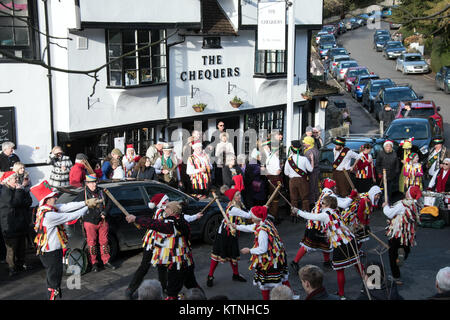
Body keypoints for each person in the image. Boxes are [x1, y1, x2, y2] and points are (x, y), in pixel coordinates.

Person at [125, 201, 204, 300]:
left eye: (167, 207)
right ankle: (203, 297)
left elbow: (154, 224)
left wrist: (136, 218)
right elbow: (155, 223)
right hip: (186, 261)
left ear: (172, 211)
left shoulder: (172, 224)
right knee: (192, 285)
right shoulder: (180, 220)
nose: (164, 208)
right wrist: (138, 221)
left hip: (177, 264)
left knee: (172, 292)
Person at [293, 195, 364, 299]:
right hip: (350, 241)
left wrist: (297, 211)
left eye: (322, 203)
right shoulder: (336, 212)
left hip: (340, 244)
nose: (320, 205)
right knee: (358, 264)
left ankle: (341, 294)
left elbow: (311, 216)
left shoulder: (326, 214)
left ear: (328, 205)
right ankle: (370, 285)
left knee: (340, 270)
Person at [31, 180, 89, 300]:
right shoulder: (48, 215)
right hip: (50, 252)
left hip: (50, 251)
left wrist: (85, 202)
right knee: (54, 281)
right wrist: (87, 207)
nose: (56, 199)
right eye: (53, 197)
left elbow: (67, 207)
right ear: (47, 200)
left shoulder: (48, 208)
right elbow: (69, 216)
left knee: (53, 279)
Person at [290, 178, 354, 273]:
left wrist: (350, 197)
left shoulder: (326, 193)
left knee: (326, 242)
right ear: (331, 187)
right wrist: (352, 196)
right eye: (334, 186)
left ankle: (327, 261)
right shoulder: (330, 194)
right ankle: (295, 261)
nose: (336, 188)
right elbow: (344, 205)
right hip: (317, 224)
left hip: (322, 223)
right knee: (309, 244)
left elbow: (341, 200)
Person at [234, 206, 290, 300]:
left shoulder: (262, 232)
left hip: (269, 262)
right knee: (280, 280)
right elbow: (251, 228)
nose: (251, 218)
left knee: (269, 284)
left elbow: (263, 249)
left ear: (257, 218)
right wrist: (236, 226)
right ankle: (289, 296)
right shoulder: (266, 222)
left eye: (252, 217)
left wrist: (249, 250)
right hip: (277, 257)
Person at [125, 193, 171, 299]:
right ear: (162, 202)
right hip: (154, 242)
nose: (169, 202)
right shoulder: (162, 212)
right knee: (149, 265)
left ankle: (132, 289)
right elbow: (156, 224)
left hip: (158, 241)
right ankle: (131, 289)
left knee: (159, 265)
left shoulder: (160, 210)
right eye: (167, 201)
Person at [207, 188, 247, 288]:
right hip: (224, 234)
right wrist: (261, 210)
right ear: (233, 197)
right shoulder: (233, 208)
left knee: (233, 254)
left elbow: (246, 214)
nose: (239, 196)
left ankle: (236, 274)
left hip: (232, 233)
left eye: (239, 194)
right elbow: (248, 215)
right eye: (237, 195)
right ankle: (210, 276)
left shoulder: (239, 205)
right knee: (217, 254)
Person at [382, 185, 422, 285]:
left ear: (409, 194)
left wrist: (385, 206)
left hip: (397, 233)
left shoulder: (402, 205)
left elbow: (389, 213)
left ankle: (396, 277)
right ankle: (403, 254)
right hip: (408, 235)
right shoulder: (416, 205)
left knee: (392, 254)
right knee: (405, 248)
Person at [0, 171, 33, 276]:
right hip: (10, 224)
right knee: (12, 248)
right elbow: (14, 203)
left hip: (20, 222)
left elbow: (28, 202)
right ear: (8, 181)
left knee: (21, 246)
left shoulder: (18, 190)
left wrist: (24, 191)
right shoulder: (5, 191)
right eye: (15, 179)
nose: (17, 180)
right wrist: (20, 192)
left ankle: (21, 264)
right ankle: (11, 267)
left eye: (17, 179)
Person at [82, 174, 115, 272]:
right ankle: (94, 263)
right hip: (90, 222)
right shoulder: (82, 194)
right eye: (91, 183)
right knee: (92, 243)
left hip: (103, 221)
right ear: (87, 183)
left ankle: (106, 261)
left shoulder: (102, 191)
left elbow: (109, 203)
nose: (94, 185)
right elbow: (80, 208)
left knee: (104, 242)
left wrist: (105, 212)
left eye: (95, 182)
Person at [284, 140, 312, 212]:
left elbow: (286, 173)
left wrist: (292, 175)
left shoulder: (288, 160)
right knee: (305, 198)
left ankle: (294, 215)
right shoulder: (304, 159)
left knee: (294, 199)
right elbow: (310, 170)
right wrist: (312, 160)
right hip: (303, 180)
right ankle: (305, 213)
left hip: (292, 180)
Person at [261, 139, 282, 223]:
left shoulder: (269, 156)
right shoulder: (274, 158)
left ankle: (271, 215)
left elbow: (264, 170)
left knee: (271, 198)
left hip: (269, 178)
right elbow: (277, 171)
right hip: (274, 179)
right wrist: (280, 169)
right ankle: (274, 217)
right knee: (275, 198)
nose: (269, 147)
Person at [303, 136, 320, 206]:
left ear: (309, 144)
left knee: (311, 187)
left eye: (305, 143)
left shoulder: (308, 152)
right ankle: (317, 201)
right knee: (316, 187)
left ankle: (311, 203)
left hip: (311, 172)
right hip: (317, 171)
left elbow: (307, 165)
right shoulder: (316, 150)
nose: (303, 143)